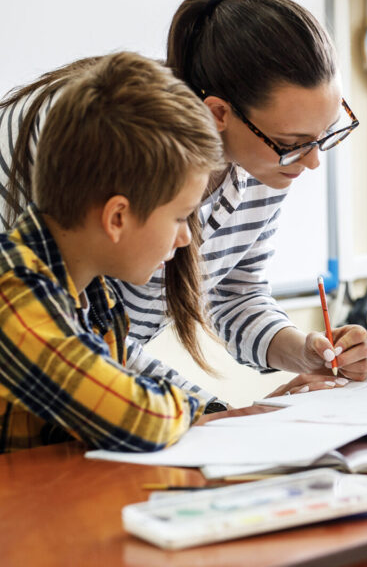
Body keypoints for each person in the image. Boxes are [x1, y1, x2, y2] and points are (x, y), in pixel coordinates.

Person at [0, 0, 367, 410]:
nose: (312, 162)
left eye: (325, 135)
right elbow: (76, 343)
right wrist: (216, 413)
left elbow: (232, 293)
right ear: (218, 114)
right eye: (293, 143)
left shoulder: (266, 158)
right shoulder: (99, 137)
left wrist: (300, 350)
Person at [0, 52, 227, 452]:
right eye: (179, 218)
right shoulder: (12, 296)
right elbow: (137, 417)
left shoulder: (96, 294)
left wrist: (219, 413)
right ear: (117, 217)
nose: (185, 238)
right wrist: (194, 407)